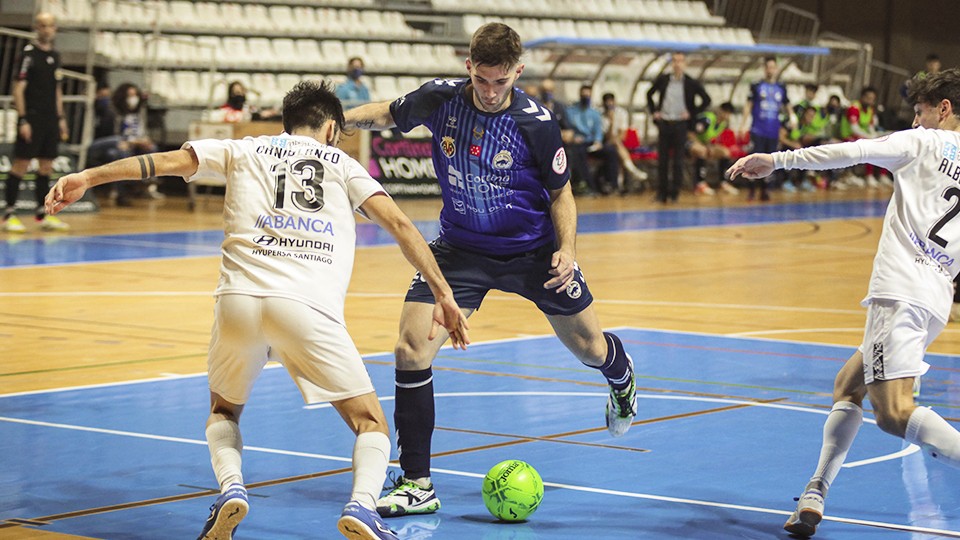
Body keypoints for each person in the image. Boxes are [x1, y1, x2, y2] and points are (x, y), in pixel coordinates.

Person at [44, 79, 470, 540]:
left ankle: (231, 489)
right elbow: (402, 225)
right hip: (306, 306)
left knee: (223, 410)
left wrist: (85, 178)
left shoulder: (243, 149)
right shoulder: (344, 165)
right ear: (331, 127)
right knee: (370, 423)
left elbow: (160, 164)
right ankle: (363, 508)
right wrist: (443, 292)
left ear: (286, 122)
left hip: (238, 303)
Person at [343, 22, 637, 519]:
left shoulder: (535, 122)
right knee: (410, 349)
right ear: (469, 69)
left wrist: (566, 249)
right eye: (482, 81)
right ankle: (417, 482)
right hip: (460, 251)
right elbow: (389, 114)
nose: (491, 92)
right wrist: (337, 122)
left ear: (517, 72)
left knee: (590, 347)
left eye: (501, 82)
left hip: (534, 253)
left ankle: (622, 377)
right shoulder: (441, 100)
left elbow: (562, 192)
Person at [726, 68, 960, 538]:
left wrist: (777, 160)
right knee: (847, 386)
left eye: (919, 112)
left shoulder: (923, 143)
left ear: (944, 109)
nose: (915, 122)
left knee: (893, 412)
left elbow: (851, 151)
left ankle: (817, 490)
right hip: (936, 296)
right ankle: (816, 493)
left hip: (901, 289)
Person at [2, 12, 69, 233]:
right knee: (21, 164)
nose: (46, 29)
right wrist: (23, 119)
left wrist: (60, 119)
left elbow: (57, 90)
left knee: (46, 166)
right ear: (36, 28)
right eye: (42, 25)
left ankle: (43, 214)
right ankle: (9, 213)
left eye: (50, 25)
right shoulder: (28, 55)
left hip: (51, 119)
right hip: (32, 117)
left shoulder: (56, 56)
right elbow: (18, 88)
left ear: (55, 29)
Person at [646, 51, 711, 203]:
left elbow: (706, 99)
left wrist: (692, 113)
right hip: (665, 123)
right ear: (671, 63)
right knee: (662, 161)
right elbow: (649, 94)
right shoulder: (663, 80)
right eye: (675, 61)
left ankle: (675, 193)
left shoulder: (690, 82)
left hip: (680, 125)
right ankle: (661, 193)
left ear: (685, 64)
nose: (677, 64)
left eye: (680, 61)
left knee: (678, 161)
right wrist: (654, 111)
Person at [739, 56, 790, 201]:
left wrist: (792, 117)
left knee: (771, 161)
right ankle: (752, 189)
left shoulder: (781, 87)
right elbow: (748, 105)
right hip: (758, 130)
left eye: (773, 67)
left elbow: (787, 104)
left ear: (776, 69)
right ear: (764, 69)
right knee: (754, 159)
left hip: (773, 131)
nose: (770, 70)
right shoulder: (756, 86)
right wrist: (743, 124)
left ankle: (765, 190)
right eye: (768, 67)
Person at [112, 82, 165, 200]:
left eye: (135, 95)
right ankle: (121, 191)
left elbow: (143, 132)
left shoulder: (141, 113)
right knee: (123, 154)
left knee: (152, 149)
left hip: (137, 143)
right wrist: (131, 142)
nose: (133, 99)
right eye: (130, 95)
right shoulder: (116, 113)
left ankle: (150, 185)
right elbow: (115, 136)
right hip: (121, 143)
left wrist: (144, 141)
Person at [566, 84, 620, 195]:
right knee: (578, 154)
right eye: (583, 95)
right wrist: (574, 137)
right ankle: (590, 186)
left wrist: (598, 141)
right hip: (579, 143)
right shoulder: (571, 111)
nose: (586, 97)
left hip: (592, 143)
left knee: (611, 151)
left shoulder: (595, 113)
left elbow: (598, 130)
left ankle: (611, 184)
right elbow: (568, 128)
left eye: (588, 95)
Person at [688, 102, 742, 195]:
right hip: (688, 141)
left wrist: (709, 146)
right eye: (725, 112)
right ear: (720, 111)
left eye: (729, 113)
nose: (727, 115)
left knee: (725, 152)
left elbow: (708, 138)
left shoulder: (723, 124)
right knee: (702, 151)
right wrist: (701, 145)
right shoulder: (708, 119)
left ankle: (723, 182)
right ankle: (700, 184)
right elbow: (690, 133)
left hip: (704, 144)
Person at [601, 92, 649, 193]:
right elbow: (607, 137)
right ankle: (632, 170)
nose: (609, 104)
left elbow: (623, 135)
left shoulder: (622, 113)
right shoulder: (601, 116)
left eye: (611, 101)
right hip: (607, 143)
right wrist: (612, 122)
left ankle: (620, 182)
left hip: (620, 143)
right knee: (614, 148)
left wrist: (616, 140)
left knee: (617, 147)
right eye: (607, 102)